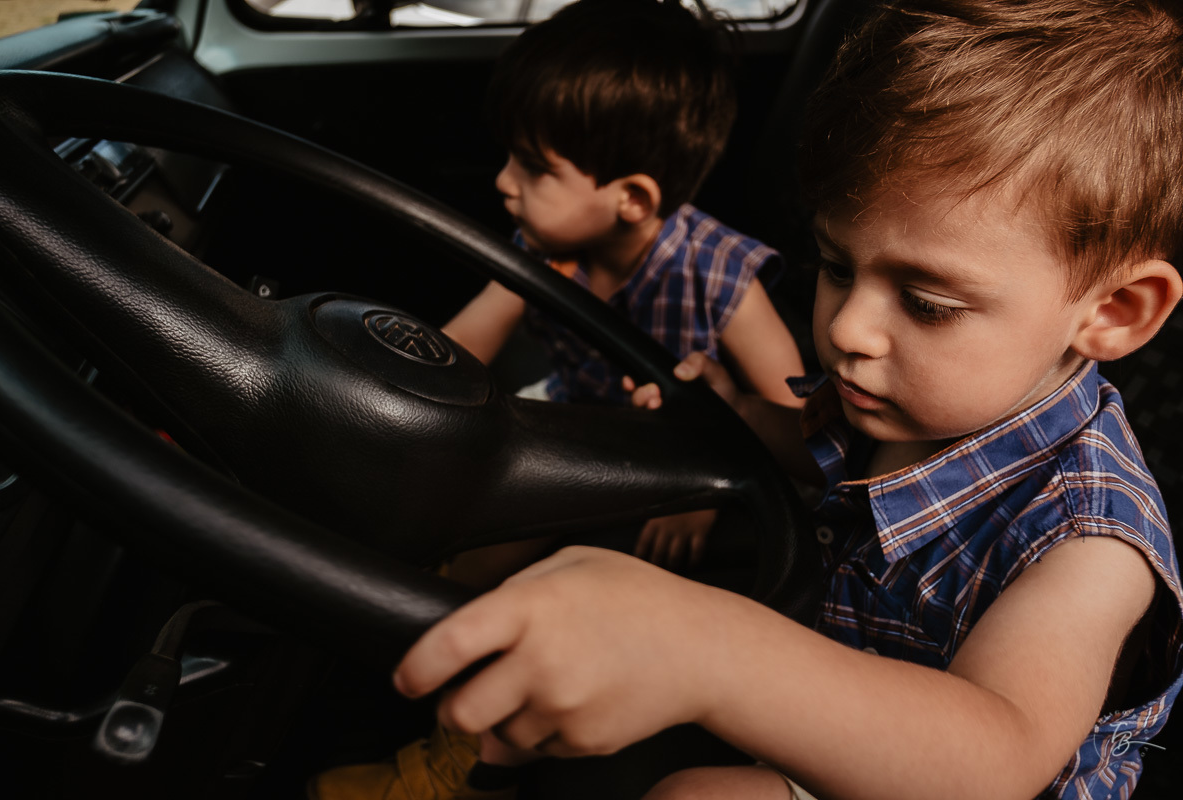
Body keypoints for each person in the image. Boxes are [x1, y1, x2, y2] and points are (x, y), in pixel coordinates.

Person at [387, 1, 1183, 799]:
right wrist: (731, 410)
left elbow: (995, 756)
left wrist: (709, 650)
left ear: (1113, 313)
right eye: (838, 267)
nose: (848, 329)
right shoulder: (905, 395)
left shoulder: (1091, 543)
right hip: (843, 684)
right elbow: (811, 446)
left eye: (927, 303)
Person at [308, 1, 805, 798]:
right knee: (463, 557)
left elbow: (799, 430)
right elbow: (458, 348)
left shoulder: (721, 279)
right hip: (574, 431)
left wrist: (708, 482)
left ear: (632, 198)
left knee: (535, 603)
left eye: (534, 168)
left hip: (681, 479)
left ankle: (464, 767)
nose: (504, 182)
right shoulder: (549, 245)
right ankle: (416, 665)